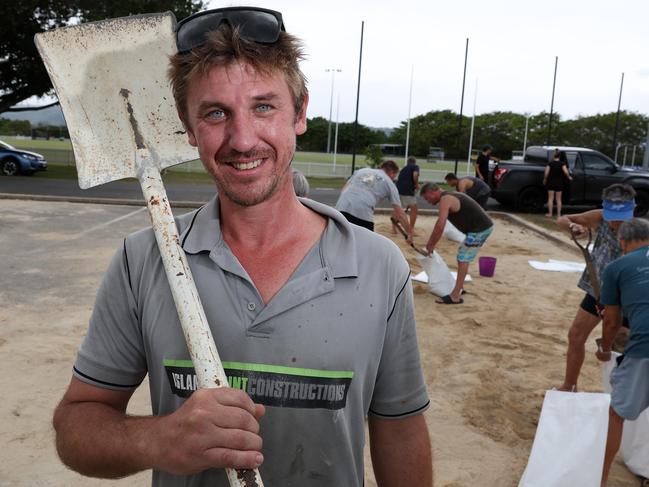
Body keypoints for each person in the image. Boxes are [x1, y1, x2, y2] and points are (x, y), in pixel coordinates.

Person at [52, 8, 432, 487]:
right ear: (187, 127)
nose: (242, 138)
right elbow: (76, 426)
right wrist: (160, 439)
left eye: (264, 106)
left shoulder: (380, 266)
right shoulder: (141, 260)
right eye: (215, 113)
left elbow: (399, 428)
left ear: (300, 112)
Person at [554, 183, 636, 392]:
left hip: (625, 298)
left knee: (620, 347)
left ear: (632, 210)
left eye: (622, 216)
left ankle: (619, 398)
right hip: (597, 290)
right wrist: (573, 227)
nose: (616, 222)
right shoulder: (600, 217)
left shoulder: (640, 232)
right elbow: (562, 220)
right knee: (575, 336)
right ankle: (569, 386)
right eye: (612, 216)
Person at [596, 218, 649, 487]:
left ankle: (601, 478)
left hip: (644, 348)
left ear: (623, 242)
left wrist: (605, 348)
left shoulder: (617, 266)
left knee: (616, 413)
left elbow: (611, 323)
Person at [420, 182, 494, 304]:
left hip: (480, 229)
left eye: (427, 198)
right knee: (462, 255)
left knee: (463, 258)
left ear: (432, 192)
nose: (428, 201)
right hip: (478, 228)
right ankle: (459, 288)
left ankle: (455, 296)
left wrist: (430, 246)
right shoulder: (449, 196)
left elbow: (440, 225)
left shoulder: (446, 199)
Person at [335, 159, 413, 238]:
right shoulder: (389, 183)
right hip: (362, 212)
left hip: (341, 207)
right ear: (392, 173)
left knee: (340, 239)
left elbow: (344, 189)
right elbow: (400, 213)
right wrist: (409, 233)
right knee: (366, 242)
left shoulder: (361, 171)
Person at [543, 149, 572, 218]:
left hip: (551, 183)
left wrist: (545, 180)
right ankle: (559, 215)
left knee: (550, 199)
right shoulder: (562, 164)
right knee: (558, 199)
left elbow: (546, 173)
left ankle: (550, 214)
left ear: (554, 156)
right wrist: (569, 177)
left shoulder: (550, 163)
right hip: (559, 183)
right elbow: (565, 172)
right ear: (560, 156)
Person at [395, 155, 420, 231]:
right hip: (408, 190)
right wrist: (416, 184)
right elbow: (415, 175)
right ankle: (411, 229)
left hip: (398, 189)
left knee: (398, 208)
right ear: (414, 162)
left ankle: (394, 228)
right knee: (414, 209)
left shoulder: (403, 169)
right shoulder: (415, 167)